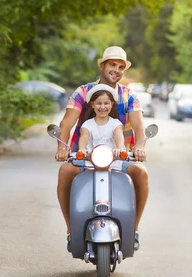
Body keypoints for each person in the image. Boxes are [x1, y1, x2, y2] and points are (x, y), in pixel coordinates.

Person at [54, 46, 149, 251]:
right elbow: (67, 123)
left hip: (119, 157)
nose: (116, 70)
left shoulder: (129, 95)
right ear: (102, 66)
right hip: (84, 156)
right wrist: (62, 147)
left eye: (121, 66)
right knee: (65, 172)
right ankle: (71, 231)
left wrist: (140, 147)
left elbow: (140, 126)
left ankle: (134, 230)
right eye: (112, 65)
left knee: (141, 173)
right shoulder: (83, 92)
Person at [77, 84, 126, 164]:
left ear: (112, 104)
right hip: (91, 163)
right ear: (93, 104)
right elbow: (84, 137)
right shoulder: (87, 124)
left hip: (115, 162)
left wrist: (119, 148)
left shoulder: (116, 123)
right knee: (66, 169)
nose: (102, 107)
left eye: (106, 103)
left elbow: (118, 135)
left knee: (139, 170)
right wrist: (82, 149)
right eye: (99, 103)